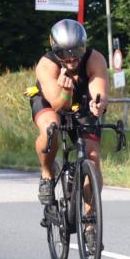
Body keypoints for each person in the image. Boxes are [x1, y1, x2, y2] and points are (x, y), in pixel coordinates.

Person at [28, 19, 109, 210]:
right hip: (51, 102)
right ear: (55, 50)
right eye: (64, 53)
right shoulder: (46, 65)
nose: (71, 58)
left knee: (93, 156)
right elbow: (58, 104)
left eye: (76, 51)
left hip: (81, 103)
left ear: (84, 47)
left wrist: (98, 104)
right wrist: (66, 91)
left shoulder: (95, 59)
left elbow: (100, 92)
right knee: (51, 128)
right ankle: (47, 173)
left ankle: (90, 223)